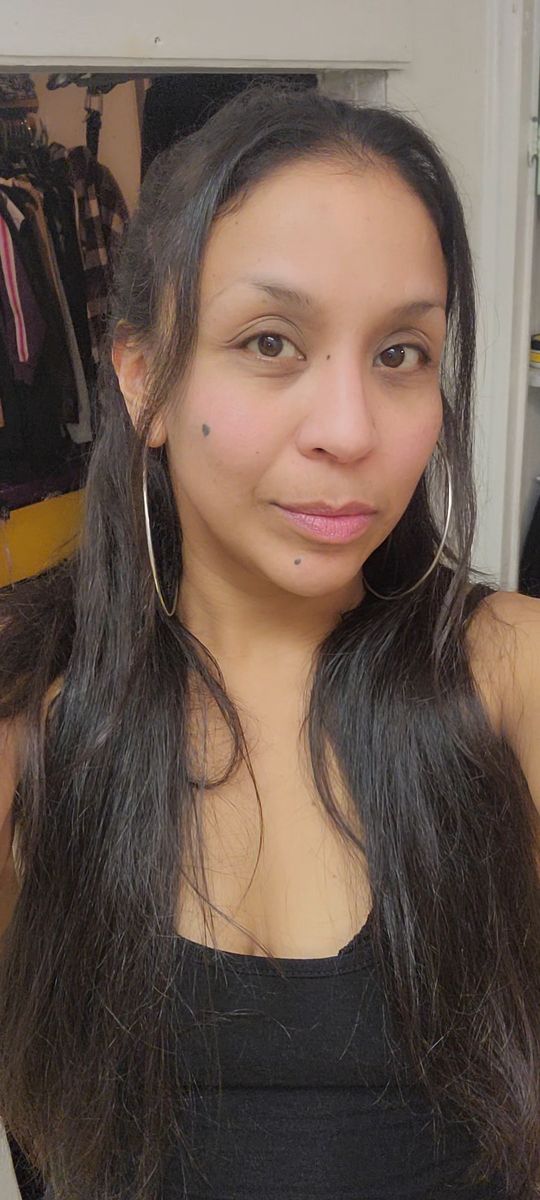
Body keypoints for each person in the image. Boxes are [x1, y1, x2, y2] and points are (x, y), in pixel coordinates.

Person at [0, 80, 538, 1200]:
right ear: (142, 378)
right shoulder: (29, 725)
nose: (349, 430)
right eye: (271, 341)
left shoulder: (512, 678)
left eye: (401, 353)